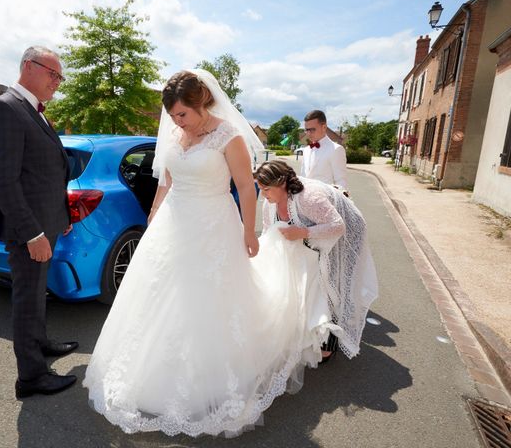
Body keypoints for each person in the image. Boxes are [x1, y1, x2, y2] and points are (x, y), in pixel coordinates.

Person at [83, 69, 332, 438]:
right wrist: (153, 216)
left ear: (202, 103)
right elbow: (165, 180)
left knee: (209, 300)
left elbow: (246, 188)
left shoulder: (228, 136)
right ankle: (152, 375)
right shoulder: (174, 132)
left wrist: (250, 231)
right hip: (172, 224)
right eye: (173, 116)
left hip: (213, 224)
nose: (177, 121)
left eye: (182, 114)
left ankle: (210, 380)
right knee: (158, 297)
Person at [0, 46, 78, 399]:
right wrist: (34, 233)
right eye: (52, 73)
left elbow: (45, 173)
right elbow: (3, 181)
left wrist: (61, 216)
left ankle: (40, 345)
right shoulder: (4, 109)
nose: (57, 81)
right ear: (27, 66)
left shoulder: (35, 111)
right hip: (28, 231)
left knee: (38, 295)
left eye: (59, 76)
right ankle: (31, 377)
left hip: (45, 223)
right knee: (27, 298)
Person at [254, 159, 378, 361]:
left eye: (266, 189)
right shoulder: (270, 204)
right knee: (307, 282)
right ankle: (308, 329)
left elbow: (337, 226)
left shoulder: (309, 198)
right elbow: (269, 230)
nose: (264, 195)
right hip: (312, 237)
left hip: (346, 231)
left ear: (282, 183)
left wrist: (302, 232)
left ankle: (329, 344)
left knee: (330, 284)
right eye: (261, 189)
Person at [300, 110, 348, 192]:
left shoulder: (336, 149)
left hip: (326, 201)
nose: (308, 134)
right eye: (307, 130)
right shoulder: (306, 150)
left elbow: (341, 183)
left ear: (324, 127)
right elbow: (303, 177)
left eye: (312, 129)